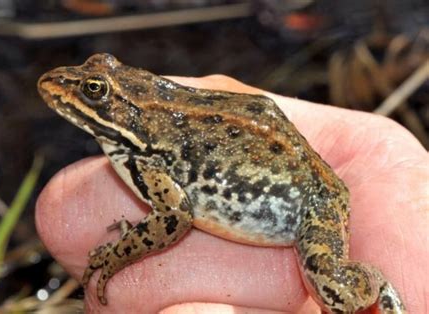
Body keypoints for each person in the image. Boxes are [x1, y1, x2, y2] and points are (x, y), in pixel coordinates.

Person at [36, 75, 428, 313]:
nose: (64, 89)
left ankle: (380, 286)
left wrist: (117, 253)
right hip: (284, 169)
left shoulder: (148, 155)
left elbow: (173, 218)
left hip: (313, 201)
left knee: (336, 293)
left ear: (129, 111)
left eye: (92, 91)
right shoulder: (141, 152)